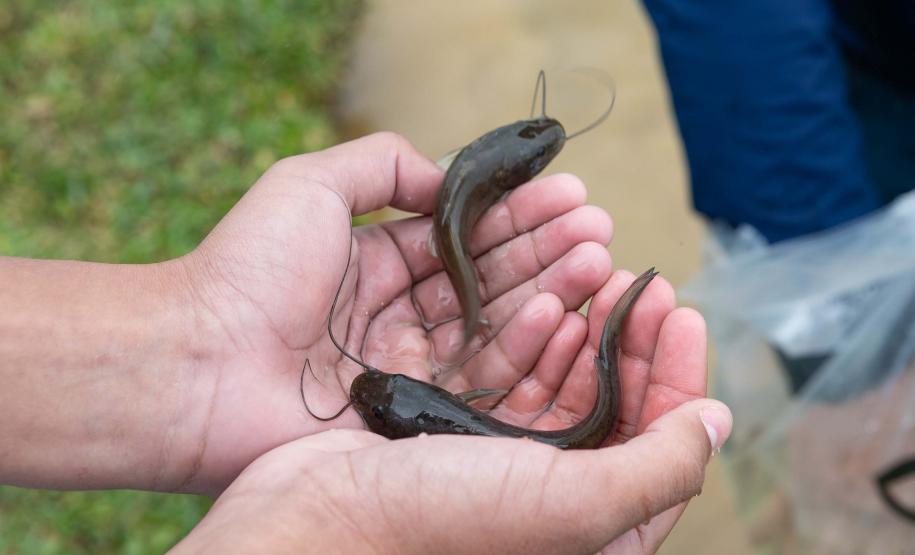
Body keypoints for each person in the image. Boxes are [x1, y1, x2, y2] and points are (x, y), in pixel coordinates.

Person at [0, 132, 731, 553]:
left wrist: (202, 336)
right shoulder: (455, 410)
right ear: (427, 412)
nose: (374, 390)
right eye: (385, 401)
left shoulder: (436, 412)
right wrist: (343, 523)